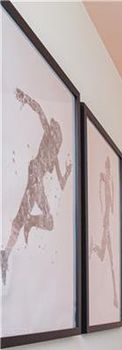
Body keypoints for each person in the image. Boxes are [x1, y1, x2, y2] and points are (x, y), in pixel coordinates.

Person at [1, 88, 72, 285]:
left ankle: (11, 245)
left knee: (47, 221)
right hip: (35, 171)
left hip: (38, 177)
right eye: (56, 133)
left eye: (58, 136)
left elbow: (61, 182)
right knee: (24, 216)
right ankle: (9, 249)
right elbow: (40, 110)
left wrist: (66, 172)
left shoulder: (55, 155)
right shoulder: (48, 135)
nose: (57, 137)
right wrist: (26, 98)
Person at [90, 155, 118, 308]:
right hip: (105, 223)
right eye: (108, 168)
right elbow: (100, 197)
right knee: (111, 256)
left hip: (108, 223)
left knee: (109, 256)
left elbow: (112, 206)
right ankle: (115, 295)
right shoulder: (103, 179)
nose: (108, 170)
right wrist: (101, 210)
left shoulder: (111, 182)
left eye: (109, 168)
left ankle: (95, 249)